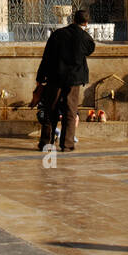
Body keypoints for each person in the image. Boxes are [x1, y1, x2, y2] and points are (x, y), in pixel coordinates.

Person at [35, 8, 96, 151]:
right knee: (70, 111)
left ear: (73, 19)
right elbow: (90, 49)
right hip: (73, 80)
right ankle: (67, 144)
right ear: (86, 23)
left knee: (50, 110)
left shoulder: (57, 34)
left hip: (54, 78)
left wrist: (40, 77)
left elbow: (46, 57)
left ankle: (45, 143)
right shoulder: (84, 37)